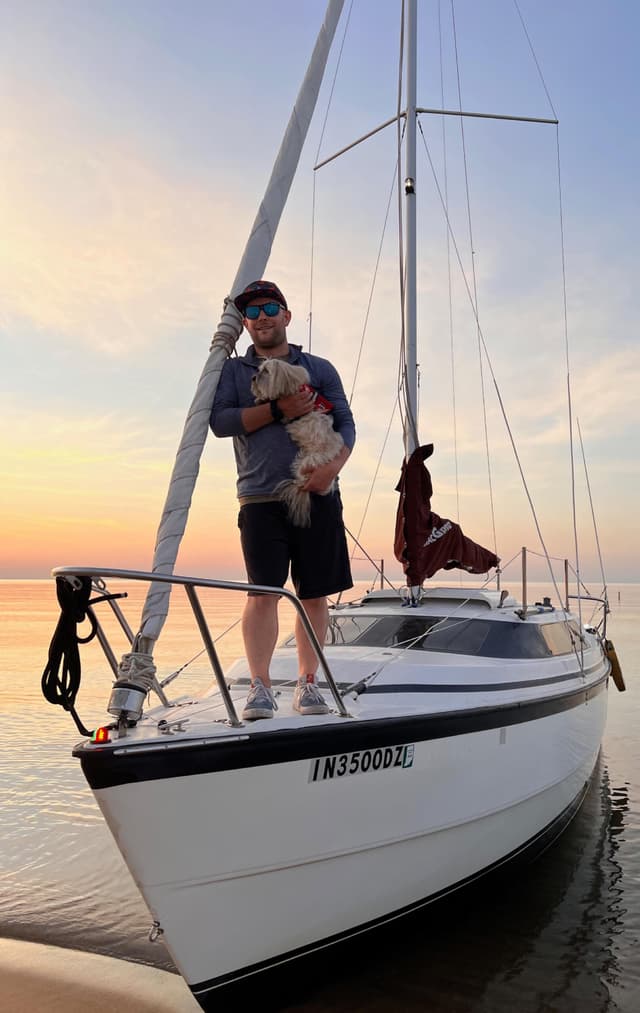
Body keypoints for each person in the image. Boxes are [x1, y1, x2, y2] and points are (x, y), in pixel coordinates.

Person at [210, 280, 356, 721]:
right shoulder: (233, 373)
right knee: (262, 594)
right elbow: (221, 423)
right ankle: (260, 687)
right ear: (245, 324)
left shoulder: (319, 367)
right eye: (252, 313)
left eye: (271, 307)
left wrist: (332, 469)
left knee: (314, 596)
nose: (262, 317)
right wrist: (278, 411)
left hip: (318, 490)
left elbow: (346, 423)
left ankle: (308, 684)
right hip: (258, 497)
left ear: (287, 316)